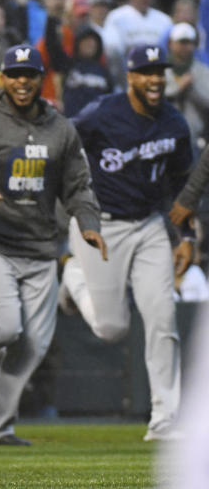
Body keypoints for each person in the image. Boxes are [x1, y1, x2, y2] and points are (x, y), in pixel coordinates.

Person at [0, 44, 105, 446]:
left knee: (32, 346)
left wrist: (88, 222)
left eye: (29, 75)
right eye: (15, 75)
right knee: (2, 329)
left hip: (41, 246)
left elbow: (78, 184)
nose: (22, 82)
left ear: (41, 79)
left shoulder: (61, 128)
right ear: (2, 79)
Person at [61, 43, 193, 442]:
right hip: (101, 225)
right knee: (111, 328)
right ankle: (72, 276)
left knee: (162, 318)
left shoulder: (174, 123)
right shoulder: (102, 112)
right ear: (131, 77)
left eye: (159, 72)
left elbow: (184, 184)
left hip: (149, 225)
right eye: (146, 72)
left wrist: (186, 235)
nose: (155, 79)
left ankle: (165, 417)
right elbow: (61, 142)